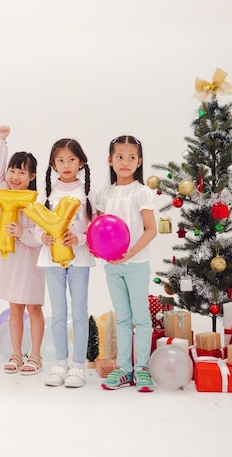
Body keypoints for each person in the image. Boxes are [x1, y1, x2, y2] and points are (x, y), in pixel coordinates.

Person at [97, 135, 157, 392]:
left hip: (136, 263)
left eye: (131, 157)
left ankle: (142, 368)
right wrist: (102, 252)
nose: (125, 162)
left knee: (141, 318)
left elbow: (151, 230)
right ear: (110, 160)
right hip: (112, 265)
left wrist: (131, 253)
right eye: (119, 157)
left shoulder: (141, 191)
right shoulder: (104, 193)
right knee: (122, 318)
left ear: (139, 161)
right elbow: (99, 229)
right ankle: (124, 369)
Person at [0, 125, 45, 375]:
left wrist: (23, 234)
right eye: (12, 170)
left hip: (29, 261)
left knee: (34, 307)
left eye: (21, 172)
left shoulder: (36, 200)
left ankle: (37, 355)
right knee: (15, 308)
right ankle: (16, 353)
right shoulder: (1, 193)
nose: (15, 176)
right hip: (9, 261)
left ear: (32, 176)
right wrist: (1, 141)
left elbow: (42, 235)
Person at [38, 138, 96, 388]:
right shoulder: (47, 193)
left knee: (79, 312)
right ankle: (60, 363)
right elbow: (34, 227)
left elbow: (96, 228)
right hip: (52, 260)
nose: (66, 164)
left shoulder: (88, 193)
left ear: (81, 162)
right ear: (53, 164)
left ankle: (78, 366)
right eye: (60, 160)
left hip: (80, 258)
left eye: (71, 159)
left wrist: (79, 238)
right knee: (58, 313)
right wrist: (43, 236)